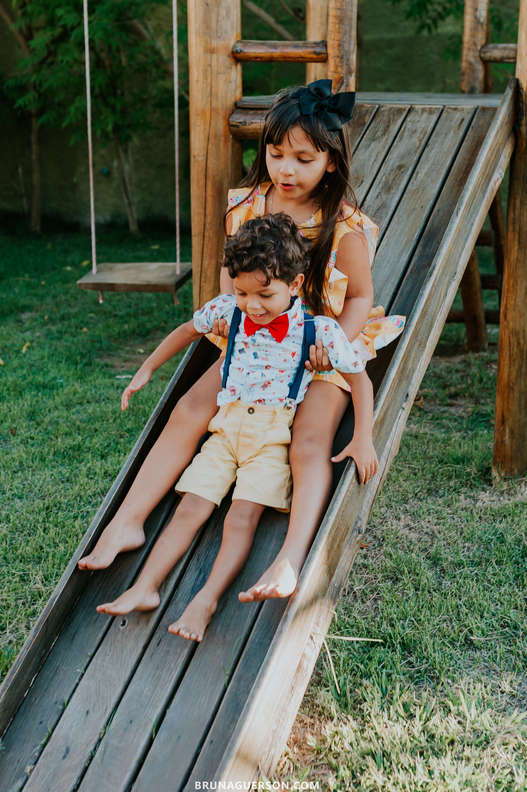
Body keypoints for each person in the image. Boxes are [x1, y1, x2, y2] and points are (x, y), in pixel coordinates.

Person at [79, 79, 404, 605]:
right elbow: (233, 279)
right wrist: (234, 314)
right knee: (189, 407)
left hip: (321, 338)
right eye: (276, 154)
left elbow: (361, 299)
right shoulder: (248, 206)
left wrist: (334, 345)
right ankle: (128, 522)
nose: (286, 170)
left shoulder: (343, 227)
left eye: (302, 158)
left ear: (330, 161)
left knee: (311, 439)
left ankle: (290, 558)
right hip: (258, 337)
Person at [97, 213, 376, 641]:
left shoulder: (318, 330)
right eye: (243, 292)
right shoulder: (231, 310)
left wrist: (363, 438)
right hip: (224, 430)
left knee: (241, 518)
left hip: (270, 439)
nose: (253, 305)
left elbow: (359, 380)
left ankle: (204, 602)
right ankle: (145, 586)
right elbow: (187, 331)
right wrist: (147, 369)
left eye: (265, 293)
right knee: (190, 507)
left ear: (295, 286)